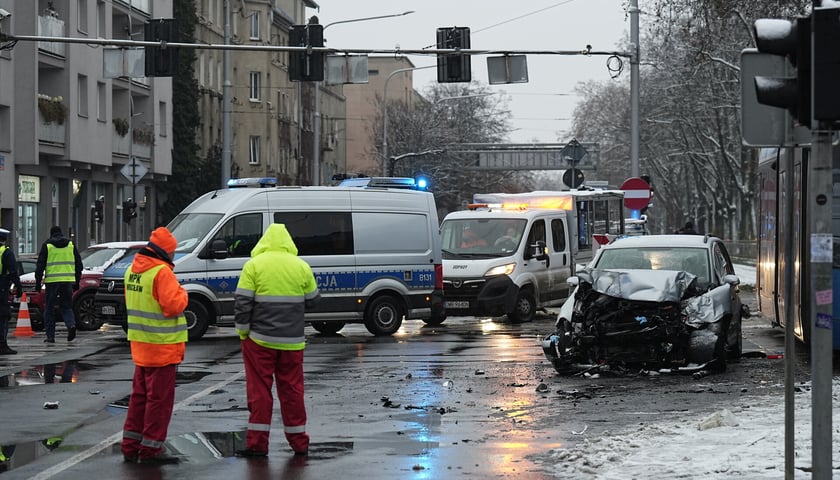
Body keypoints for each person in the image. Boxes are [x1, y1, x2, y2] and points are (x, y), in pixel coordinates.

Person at [234, 224, 321, 458]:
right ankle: (299, 443)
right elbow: (313, 299)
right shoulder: (301, 266)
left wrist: (243, 332)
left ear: (264, 242)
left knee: (260, 392)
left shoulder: (253, 266)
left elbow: (242, 303)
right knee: (292, 391)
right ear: (288, 243)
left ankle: (257, 445)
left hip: (259, 341)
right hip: (292, 342)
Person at [120, 227, 188, 465]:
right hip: (163, 347)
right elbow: (172, 306)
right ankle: (151, 450)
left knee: (139, 398)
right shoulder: (162, 273)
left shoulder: (132, 271)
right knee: (159, 402)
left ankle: (130, 446)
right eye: (172, 253)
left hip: (141, 346)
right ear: (165, 252)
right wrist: (184, 294)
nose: (173, 257)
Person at [34, 226, 83, 343]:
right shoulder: (71, 245)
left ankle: (50, 337)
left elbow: (40, 266)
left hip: (52, 282)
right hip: (67, 281)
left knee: (49, 309)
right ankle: (71, 325)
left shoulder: (47, 245)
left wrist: (38, 283)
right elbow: (79, 265)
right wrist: (77, 281)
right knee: (66, 307)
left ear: (51, 234)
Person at [0, 228, 22, 355]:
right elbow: (13, 271)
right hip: (2, 287)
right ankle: (2, 344)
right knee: (3, 316)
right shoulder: (6, 252)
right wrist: (18, 287)